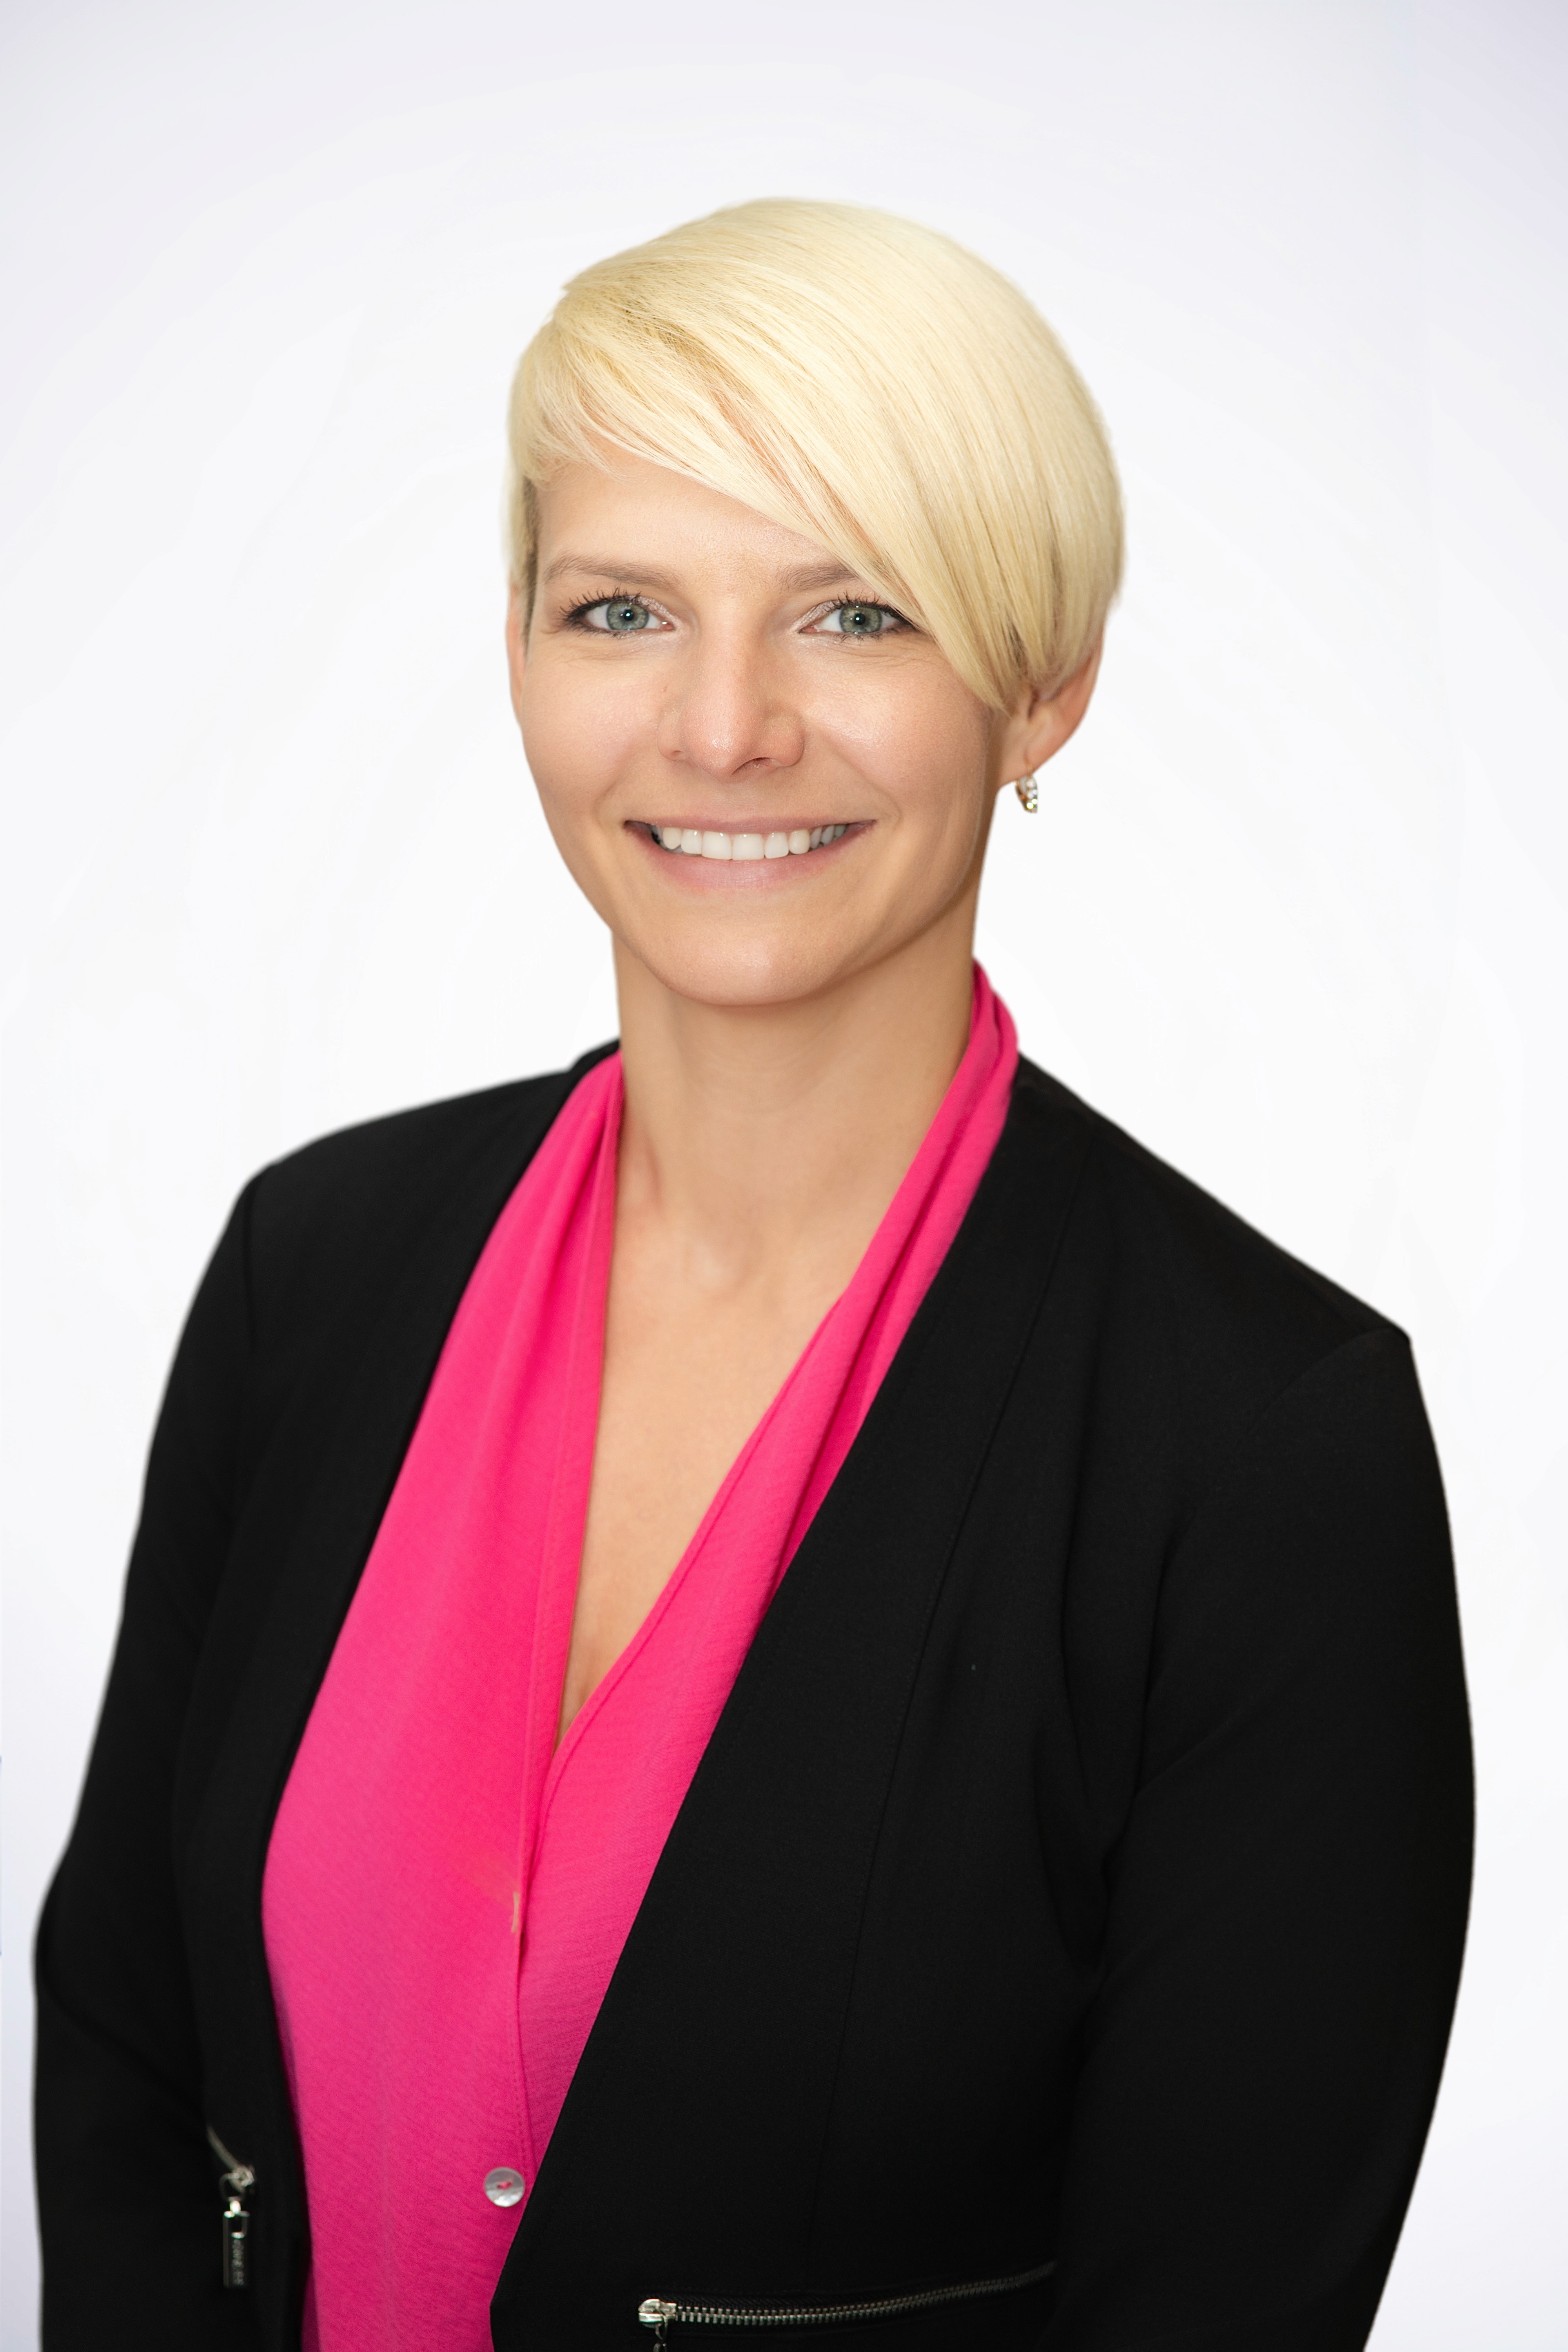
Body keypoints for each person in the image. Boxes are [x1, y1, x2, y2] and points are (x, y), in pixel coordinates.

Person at [34, 201, 1472, 2352]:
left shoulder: (1266, 1452)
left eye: (853, 616)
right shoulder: (313, 1271)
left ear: (1045, 681)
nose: (720, 729)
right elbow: (128, 2058)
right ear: (516, 644)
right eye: (622, 608)